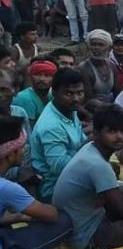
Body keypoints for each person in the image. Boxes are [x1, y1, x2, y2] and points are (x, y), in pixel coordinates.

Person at [53, 104, 123, 249]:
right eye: (112, 131)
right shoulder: (97, 165)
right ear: (97, 133)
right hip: (84, 235)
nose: (119, 137)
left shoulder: (92, 149)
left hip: (93, 212)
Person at [0, 115, 72, 249]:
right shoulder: (8, 188)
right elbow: (51, 215)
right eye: (22, 147)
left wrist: (17, 217)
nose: (25, 151)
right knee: (65, 220)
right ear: (10, 154)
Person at [30, 68, 87, 202]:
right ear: (54, 92)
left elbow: (81, 142)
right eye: (68, 93)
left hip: (73, 176)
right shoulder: (51, 125)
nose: (76, 99)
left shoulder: (68, 109)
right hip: (55, 188)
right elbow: (60, 166)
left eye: (80, 93)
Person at [11, 57, 54, 126]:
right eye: (37, 74)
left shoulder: (51, 96)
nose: (42, 79)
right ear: (31, 76)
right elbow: (29, 129)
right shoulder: (24, 98)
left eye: (47, 75)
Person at [78, 30, 116, 103]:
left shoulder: (112, 65)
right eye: (93, 44)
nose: (96, 48)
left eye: (101, 45)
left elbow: (117, 92)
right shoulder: (84, 68)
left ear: (108, 48)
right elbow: (88, 99)